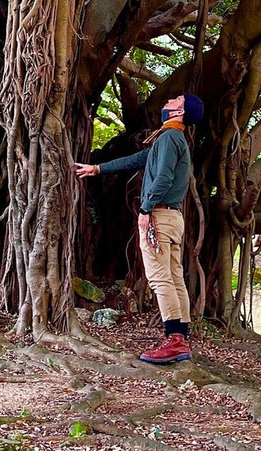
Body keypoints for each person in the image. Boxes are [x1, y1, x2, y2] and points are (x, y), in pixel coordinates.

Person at [75, 93, 204, 364]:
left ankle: (175, 341)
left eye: (175, 100)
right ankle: (181, 336)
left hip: (159, 216)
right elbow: (136, 159)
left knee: (160, 279)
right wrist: (97, 168)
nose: (168, 102)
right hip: (173, 219)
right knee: (174, 276)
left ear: (180, 110)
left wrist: (146, 209)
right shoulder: (171, 138)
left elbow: (165, 177)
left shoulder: (170, 138)